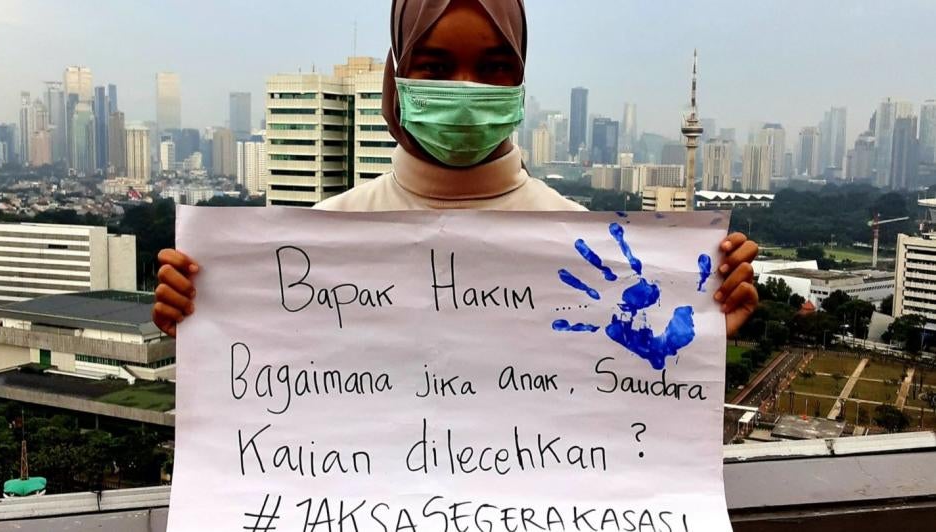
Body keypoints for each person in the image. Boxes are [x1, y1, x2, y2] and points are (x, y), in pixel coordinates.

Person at [152, 0, 758, 339]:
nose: (467, 93)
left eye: (495, 66)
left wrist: (701, 332)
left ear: (521, 77)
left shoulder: (595, 250)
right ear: (398, 75)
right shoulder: (310, 246)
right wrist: (206, 318)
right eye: (436, 67)